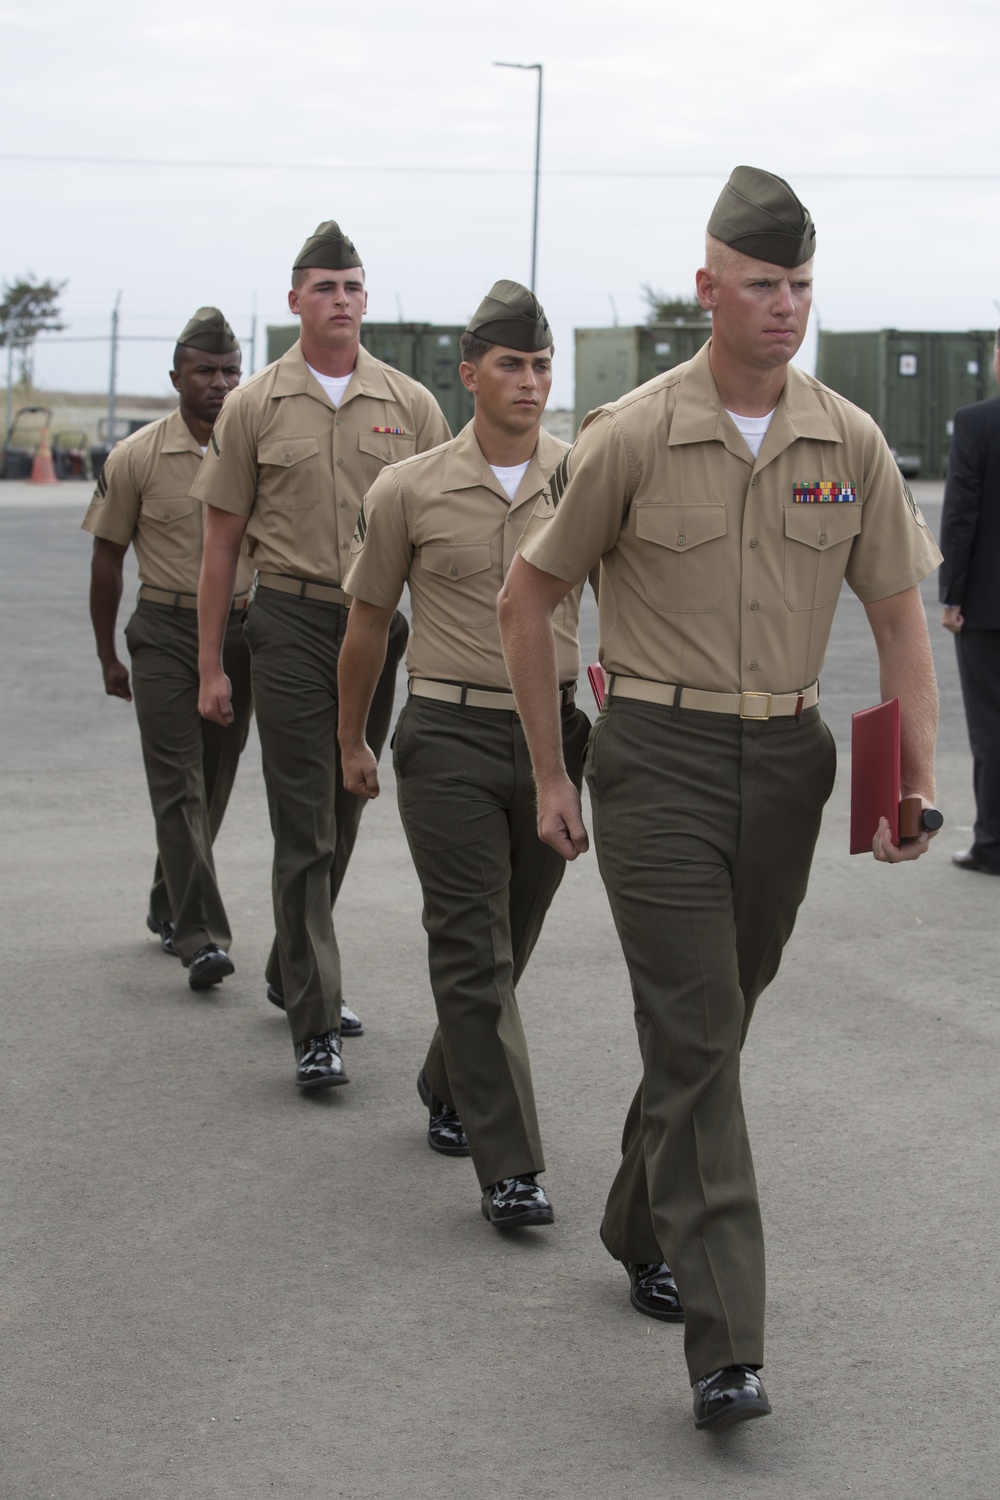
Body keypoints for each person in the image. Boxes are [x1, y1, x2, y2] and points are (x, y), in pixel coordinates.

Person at [497, 166, 942, 1430]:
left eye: (800, 284)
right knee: (698, 1039)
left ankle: (638, 1213)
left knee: (719, 1023)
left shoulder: (845, 440)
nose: (784, 305)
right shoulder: (632, 432)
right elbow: (529, 599)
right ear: (707, 289)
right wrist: (548, 767)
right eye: (761, 283)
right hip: (656, 764)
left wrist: (911, 778)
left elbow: (898, 616)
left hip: (789, 770)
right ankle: (726, 1344)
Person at [338, 281, 591, 1228]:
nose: (529, 381)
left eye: (540, 365)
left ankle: (449, 1080)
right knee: (470, 941)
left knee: (510, 939)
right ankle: (510, 1164)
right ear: (470, 373)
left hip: (555, 738)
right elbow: (367, 625)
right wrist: (351, 736)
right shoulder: (406, 487)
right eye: (511, 365)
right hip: (445, 733)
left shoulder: (585, 476)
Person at [194, 221, 451, 1088]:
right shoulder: (255, 404)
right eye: (325, 287)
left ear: (366, 300)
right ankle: (314, 1018)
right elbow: (220, 546)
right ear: (296, 298)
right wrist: (210, 665)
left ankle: (291, 967)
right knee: (303, 820)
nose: (340, 301)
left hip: (375, 630)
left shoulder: (411, 406)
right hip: (292, 625)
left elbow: (446, 536)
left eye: (353, 287)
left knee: (345, 812)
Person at [82, 307, 251, 991]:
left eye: (230, 372)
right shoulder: (137, 457)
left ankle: (166, 899)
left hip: (240, 634)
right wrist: (107, 655)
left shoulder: (252, 451)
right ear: (176, 375)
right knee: (177, 782)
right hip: (164, 630)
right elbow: (106, 560)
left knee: (210, 787)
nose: (219, 383)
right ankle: (202, 936)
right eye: (206, 371)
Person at [939, 332, 1000, 875]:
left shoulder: (978, 422)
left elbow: (961, 514)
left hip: (987, 607)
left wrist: (952, 594)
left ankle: (992, 843)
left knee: (991, 725)